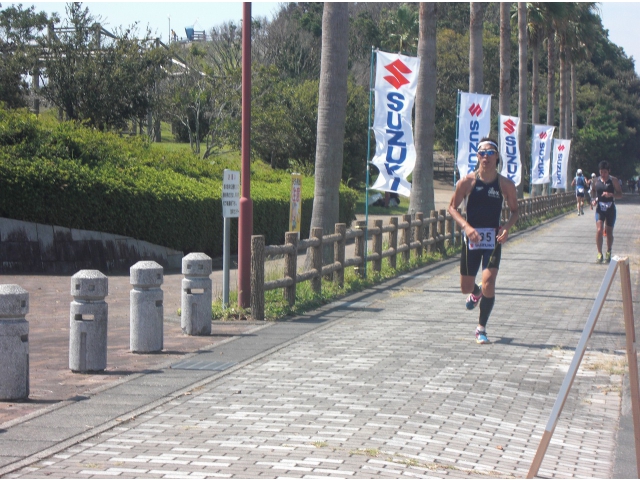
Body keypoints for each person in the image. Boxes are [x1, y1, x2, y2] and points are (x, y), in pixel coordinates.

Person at [448, 137, 519, 344]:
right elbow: (452, 207)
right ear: (477, 156)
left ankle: (481, 328)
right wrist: (467, 227)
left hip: (493, 239)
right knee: (465, 287)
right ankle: (476, 293)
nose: (485, 157)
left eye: (490, 153)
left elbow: (515, 212)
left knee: (489, 282)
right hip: (471, 239)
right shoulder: (467, 182)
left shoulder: (505, 184)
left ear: (497, 157)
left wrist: (506, 228)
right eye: (481, 152)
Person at [591, 160, 623, 263]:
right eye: (601, 172)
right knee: (599, 230)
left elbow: (620, 194)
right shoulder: (596, 181)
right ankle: (599, 254)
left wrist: (611, 195)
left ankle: (608, 251)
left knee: (609, 232)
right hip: (600, 208)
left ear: (608, 171)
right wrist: (593, 201)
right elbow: (592, 192)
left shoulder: (613, 180)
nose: (603, 174)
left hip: (610, 209)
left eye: (605, 172)